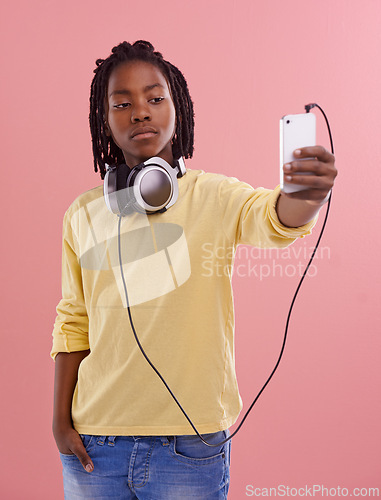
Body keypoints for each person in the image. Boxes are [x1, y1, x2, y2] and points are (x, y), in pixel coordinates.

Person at [51, 40, 337, 499]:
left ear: (178, 107)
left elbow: (274, 218)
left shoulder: (216, 196)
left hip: (189, 445)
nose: (140, 112)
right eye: (122, 103)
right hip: (94, 443)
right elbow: (73, 320)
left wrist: (305, 195)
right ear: (104, 120)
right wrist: (60, 423)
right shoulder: (82, 214)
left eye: (155, 98)